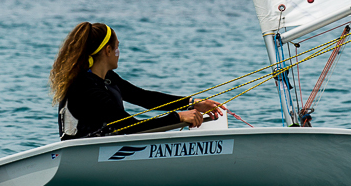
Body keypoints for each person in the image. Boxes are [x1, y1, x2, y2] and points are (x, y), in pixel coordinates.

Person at [50, 21, 223, 141]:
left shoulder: (107, 79)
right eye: (117, 47)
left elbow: (145, 98)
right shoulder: (84, 87)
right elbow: (131, 126)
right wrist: (178, 116)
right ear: (108, 50)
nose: (119, 52)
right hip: (82, 157)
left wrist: (191, 103)